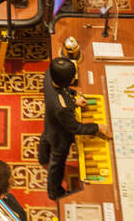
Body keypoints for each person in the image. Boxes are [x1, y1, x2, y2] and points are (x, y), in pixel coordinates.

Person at [38, 55, 111, 200]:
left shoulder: (48, 74)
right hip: (60, 136)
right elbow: (75, 128)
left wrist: (74, 99)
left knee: (46, 137)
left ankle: (42, 157)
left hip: (50, 121)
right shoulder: (62, 108)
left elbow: (62, 90)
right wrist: (98, 127)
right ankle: (54, 192)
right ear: (67, 81)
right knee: (57, 164)